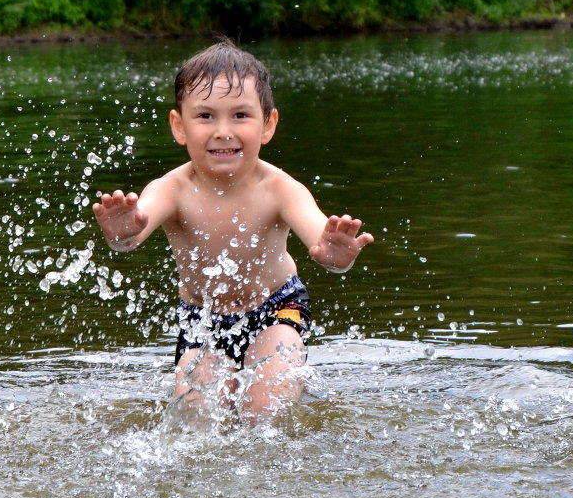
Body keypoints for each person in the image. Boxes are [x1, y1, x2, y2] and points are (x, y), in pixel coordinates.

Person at [92, 39, 373, 422]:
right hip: (202, 320)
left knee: (264, 409)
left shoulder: (279, 188)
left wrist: (336, 255)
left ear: (268, 124)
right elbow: (131, 236)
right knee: (198, 416)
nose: (223, 131)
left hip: (277, 309)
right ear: (179, 127)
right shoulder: (171, 189)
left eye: (240, 115)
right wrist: (122, 231)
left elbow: (319, 237)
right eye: (205, 116)